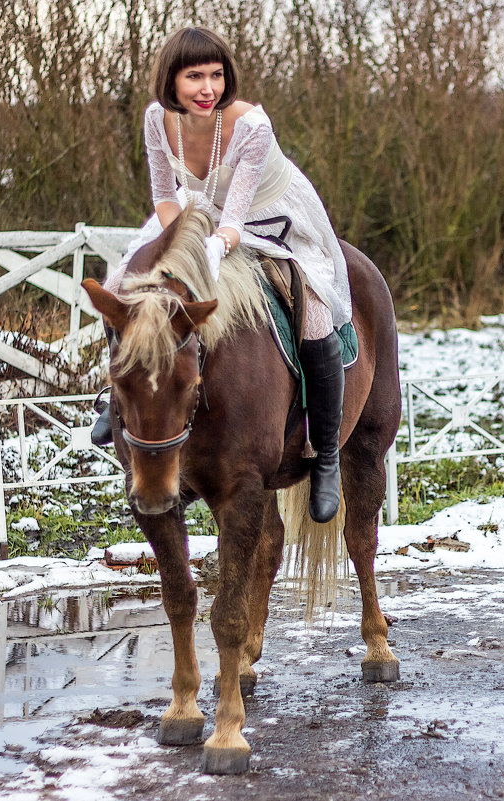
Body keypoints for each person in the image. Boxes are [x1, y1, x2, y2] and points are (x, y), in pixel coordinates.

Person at [93, 27, 351, 523]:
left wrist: (209, 245)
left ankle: (326, 458)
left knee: (317, 313)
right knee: (119, 284)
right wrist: (182, 243)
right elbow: (165, 196)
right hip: (193, 215)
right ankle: (117, 397)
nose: (207, 88)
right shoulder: (156, 119)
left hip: (269, 216)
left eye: (216, 75)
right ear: (171, 80)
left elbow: (234, 222)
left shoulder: (253, 126)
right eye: (194, 77)